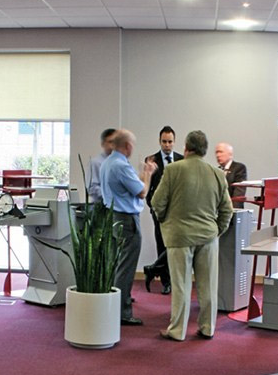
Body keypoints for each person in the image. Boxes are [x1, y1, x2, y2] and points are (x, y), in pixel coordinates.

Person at [152, 130, 234, 341]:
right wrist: (216, 230)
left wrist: (165, 221)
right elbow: (227, 210)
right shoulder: (217, 174)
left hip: (179, 237)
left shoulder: (173, 170)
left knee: (181, 286)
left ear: (186, 148)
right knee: (208, 286)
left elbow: (157, 203)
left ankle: (177, 331)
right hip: (208, 237)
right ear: (205, 150)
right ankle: (207, 328)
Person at [99, 129, 156, 326]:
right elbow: (142, 192)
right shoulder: (121, 165)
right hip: (127, 220)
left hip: (114, 217)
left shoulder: (108, 163)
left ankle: (114, 305)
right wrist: (148, 174)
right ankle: (122, 312)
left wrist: (142, 175)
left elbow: (130, 186)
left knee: (116, 264)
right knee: (126, 267)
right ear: (128, 146)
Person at [142, 126, 177, 295]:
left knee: (176, 246)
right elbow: (147, 188)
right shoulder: (152, 160)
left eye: (170, 141)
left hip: (177, 213)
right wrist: (154, 207)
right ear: (159, 141)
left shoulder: (181, 160)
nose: (167, 145)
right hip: (159, 212)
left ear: (174, 142)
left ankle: (156, 269)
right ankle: (166, 282)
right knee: (162, 245)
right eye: (164, 141)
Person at [86, 127, 117, 202]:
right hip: (101, 205)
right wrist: (112, 195)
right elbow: (91, 188)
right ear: (103, 144)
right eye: (110, 142)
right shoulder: (96, 162)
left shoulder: (122, 162)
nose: (113, 145)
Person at [214, 142, 248, 206]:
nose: (218, 155)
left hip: (232, 208)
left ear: (230, 154)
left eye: (220, 152)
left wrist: (232, 210)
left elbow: (239, 194)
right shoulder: (217, 170)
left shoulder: (239, 168)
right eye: (216, 153)